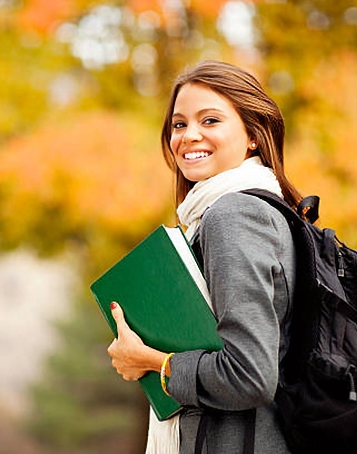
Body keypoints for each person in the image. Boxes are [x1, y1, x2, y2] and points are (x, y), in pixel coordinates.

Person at [107, 60, 302, 454]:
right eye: (179, 124)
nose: (189, 136)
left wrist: (152, 362)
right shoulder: (263, 210)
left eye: (210, 120)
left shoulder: (234, 217)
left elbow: (250, 375)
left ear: (253, 136)